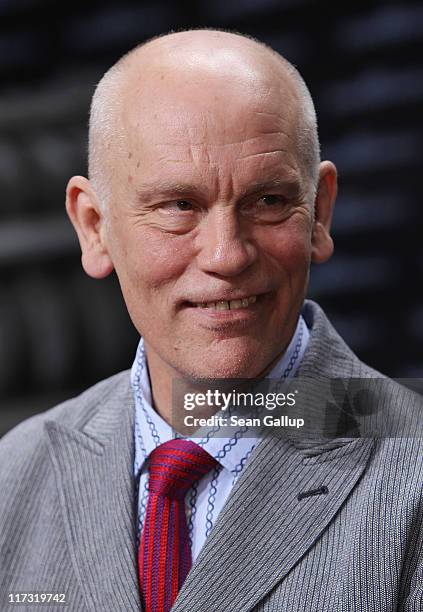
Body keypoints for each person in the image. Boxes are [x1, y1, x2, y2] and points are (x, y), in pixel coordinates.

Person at [0, 29, 422, 612]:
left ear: (319, 212)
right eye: (178, 206)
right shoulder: (14, 476)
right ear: (94, 228)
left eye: (268, 201)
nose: (226, 255)